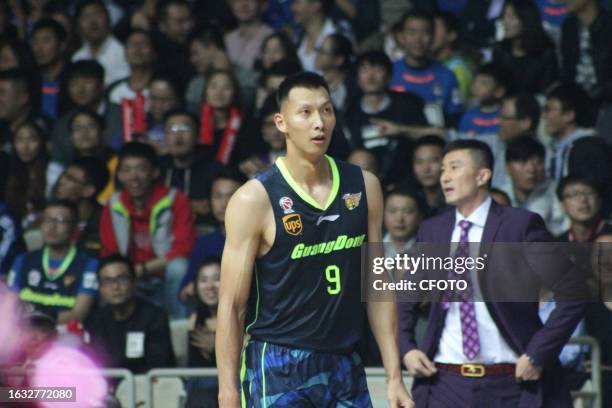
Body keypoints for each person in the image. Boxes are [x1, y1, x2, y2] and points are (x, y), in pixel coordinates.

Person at [216, 72, 413, 407]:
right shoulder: (255, 199)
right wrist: (228, 392)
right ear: (281, 122)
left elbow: (378, 284)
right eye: (305, 112)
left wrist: (394, 376)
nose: (319, 122)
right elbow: (231, 306)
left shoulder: (364, 186)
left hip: (345, 361)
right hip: (278, 363)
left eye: (326, 111)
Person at [399, 139, 587, 407]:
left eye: (454, 167)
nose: (445, 176)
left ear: (482, 175)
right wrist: (407, 348)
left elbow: (574, 290)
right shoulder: (433, 230)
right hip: (444, 381)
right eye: (442, 170)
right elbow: (405, 297)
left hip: (510, 381)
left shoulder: (518, 225)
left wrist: (538, 354)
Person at [99, 142, 195, 318]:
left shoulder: (175, 199)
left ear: (154, 172)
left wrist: (142, 269)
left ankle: (179, 325)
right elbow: (109, 251)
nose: (134, 176)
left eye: (141, 169)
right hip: (128, 278)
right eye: (127, 170)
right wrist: (128, 273)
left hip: (163, 275)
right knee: (106, 273)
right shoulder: (113, 204)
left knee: (179, 267)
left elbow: (183, 248)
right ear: (119, 175)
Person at [7, 199, 99, 324]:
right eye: (47, 220)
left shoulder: (89, 264)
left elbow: (79, 313)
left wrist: (40, 324)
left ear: (75, 228)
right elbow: (10, 306)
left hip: (67, 337)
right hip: (25, 335)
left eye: (60, 220)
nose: (52, 227)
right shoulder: (23, 260)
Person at [345, 50, 428, 186]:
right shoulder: (349, 112)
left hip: (406, 180)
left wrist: (401, 130)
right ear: (357, 78)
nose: (371, 76)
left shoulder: (408, 105)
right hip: (363, 185)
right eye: (365, 70)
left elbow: (432, 135)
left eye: (377, 70)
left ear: (389, 76)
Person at [86, 254, 175, 374]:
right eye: (108, 281)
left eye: (122, 279)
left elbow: (159, 367)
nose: (115, 287)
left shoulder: (155, 317)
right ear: (101, 288)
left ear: (134, 282)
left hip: (146, 388)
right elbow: (97, 364)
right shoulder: (97, 319)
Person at [544, 83, 612, 215]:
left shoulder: (589, 149)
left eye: (549, 109)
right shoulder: (558, 147)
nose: (544, 116)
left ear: (569, 115)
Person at [390, 10, 463, 127]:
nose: (418, 40)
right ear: (401, 37)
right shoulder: (389, 73)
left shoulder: (447, 76)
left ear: (433, 37)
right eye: (412, 32)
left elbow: (454, 121)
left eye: (425, 33)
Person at [159, 110, 223, 223]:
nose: (178, 136)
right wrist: (190, 205)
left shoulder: (214, 170)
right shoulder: (157, 168)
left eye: (185, 128)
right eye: (172, 129)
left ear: (198, 135)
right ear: (165, 137)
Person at [501, 135, 569, 236]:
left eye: (538, 162)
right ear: (508, 168)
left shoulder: (556, 191)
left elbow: (564, 228)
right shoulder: (500, 195)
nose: (531, 170)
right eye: (523, 162)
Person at [492, 0, 558, 94]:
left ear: (526, 20)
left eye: (511, 17)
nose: (505, 21)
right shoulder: (500, 49)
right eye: (504, 16)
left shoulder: (545, 53)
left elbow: (546, 89)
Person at [52, 157, 109, 254]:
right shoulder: (51, 213)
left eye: (70, 179)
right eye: (64, 175)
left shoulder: (105, 223)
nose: (61, 181)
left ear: (88, 191)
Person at [71, 0, 129, 86]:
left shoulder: (123, 52)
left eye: (97, 15)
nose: (92, 22)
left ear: (109, 19)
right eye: (85, 17)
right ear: (78, 26)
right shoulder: (77, 57)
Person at [30, 18, 69, 119]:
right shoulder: (30, 79)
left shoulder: (73, 76)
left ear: (62, 45)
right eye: (35, 41)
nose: (39, 48)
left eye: (46, 41)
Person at [555, 175, 612, 242]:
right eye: (574, 194)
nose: (583, 199)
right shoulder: (557, 245)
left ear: (600, 200)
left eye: (589, 193)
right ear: (562, 205)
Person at [224, 0, 273, 70]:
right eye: (237, 1)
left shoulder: (271, 37)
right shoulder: (227, 40)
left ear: (262, 4)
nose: (243, 5)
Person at [411, 135, 446, 216]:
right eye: (419, 162)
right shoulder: (409, 198)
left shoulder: (457, 201)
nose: (426, 169)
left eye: (434, 161)